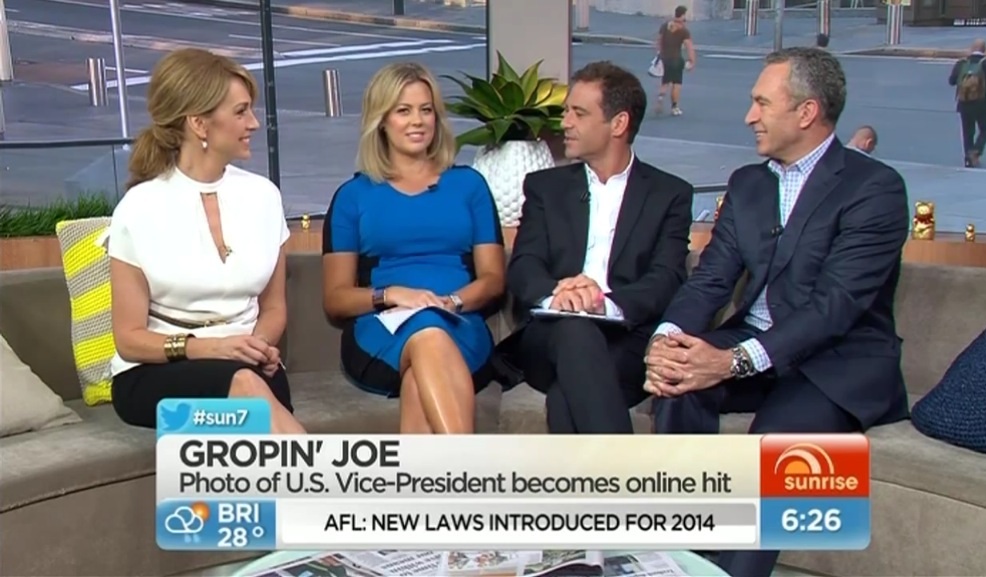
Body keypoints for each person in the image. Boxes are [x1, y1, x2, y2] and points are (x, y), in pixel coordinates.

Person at [645, 47, 910, 577]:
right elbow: (711, 279)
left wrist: (732, 361)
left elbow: (834, 307)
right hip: (756, 342)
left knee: (777, 447)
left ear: (807, 112)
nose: (750, 116)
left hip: (836, 362)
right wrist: (666, 340)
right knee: (678, 385)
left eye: (762, 103)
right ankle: (678, 558)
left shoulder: (874, 189)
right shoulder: (749, 183)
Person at [104, 48, 305, 434]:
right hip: (157, 372)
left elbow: (274, 307)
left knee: (249, 389)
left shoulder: (264, 197)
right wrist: (211, 348)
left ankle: (306, 469)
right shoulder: (139, 208)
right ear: (199, 123)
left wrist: (257, 346)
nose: (254, 123)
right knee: (244, 389)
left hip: (249, 363)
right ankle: (321, 472)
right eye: (241, 112)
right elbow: (128, 340)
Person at [499, 61, 694, 434]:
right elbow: (524, 266)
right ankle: (623, 470)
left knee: (566, 396)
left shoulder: (669, 194)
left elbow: (667, 277)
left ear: (618, 124)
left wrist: (602, 303)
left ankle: (597, 474)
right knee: (575, 331)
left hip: (625, 340)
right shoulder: (545, 187)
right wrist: (560, 295)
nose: (565, 123)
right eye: (566, 111)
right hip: (549, 335)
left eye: (579, 113)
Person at [321, 62, 506, 434]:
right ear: (381, 121)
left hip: (459, 323)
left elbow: (493, 279)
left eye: (426, 110)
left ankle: (434, 474)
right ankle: (470, 465)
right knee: (427, 331)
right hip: (381, 331)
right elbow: (336, 299)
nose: (417, 121)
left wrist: (451, 302)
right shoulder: (353, 196)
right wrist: (392, 295)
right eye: (403, 111)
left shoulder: (469, 186)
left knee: (420, 371)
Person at [948, 39, 986, 168]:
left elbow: (951, 81)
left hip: (964, 103)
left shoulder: (962, 63)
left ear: (971, 48)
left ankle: (967, 159)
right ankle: (976, 150)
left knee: (967, 132)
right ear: (984, 49)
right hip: (982, 103)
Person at [654, 5, 697, 116]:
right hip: (677, 59)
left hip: (665, 58)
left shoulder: (665, 26)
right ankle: (675, 107)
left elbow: (659, 41)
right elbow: (689, 46)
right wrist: (692, 60)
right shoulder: (683, 30)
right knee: (676, 84)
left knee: (665, 81)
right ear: (682, 15)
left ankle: (660, 98)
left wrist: (659, 53)